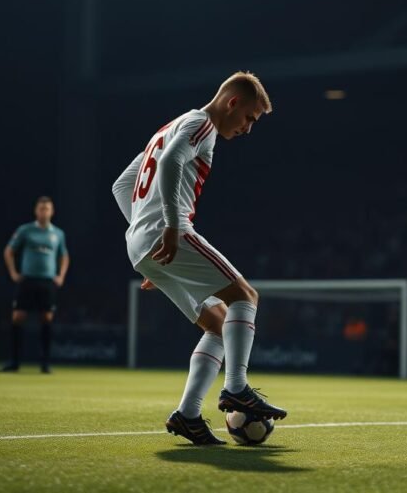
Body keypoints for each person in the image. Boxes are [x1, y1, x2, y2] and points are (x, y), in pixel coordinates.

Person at [111, 71, 286, 446]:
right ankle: (237, 388)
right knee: (245, 296)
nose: (248, 129)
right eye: (249, 118)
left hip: (141, 244)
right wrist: (171, 227)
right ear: (232, 102)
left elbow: (122, 185)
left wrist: (146, 239)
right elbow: (174, 161)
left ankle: (188, 415)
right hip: (167, 232)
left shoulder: (168, 127)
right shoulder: (202, 124)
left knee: (217, 323)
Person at [0, 196, 69, 374]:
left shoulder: (58, 233)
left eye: (47, 209)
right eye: (41, 209)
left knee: (46, 318)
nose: (44, 212)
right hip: (28, 279)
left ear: (52, 212)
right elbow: (9, 251)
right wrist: (14, 273)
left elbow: (64, 256)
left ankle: (45, 364)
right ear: (36, 211)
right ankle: (14, 362)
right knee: (17, 317)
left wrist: (60, 276)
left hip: (47, 281)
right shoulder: (25, 230)